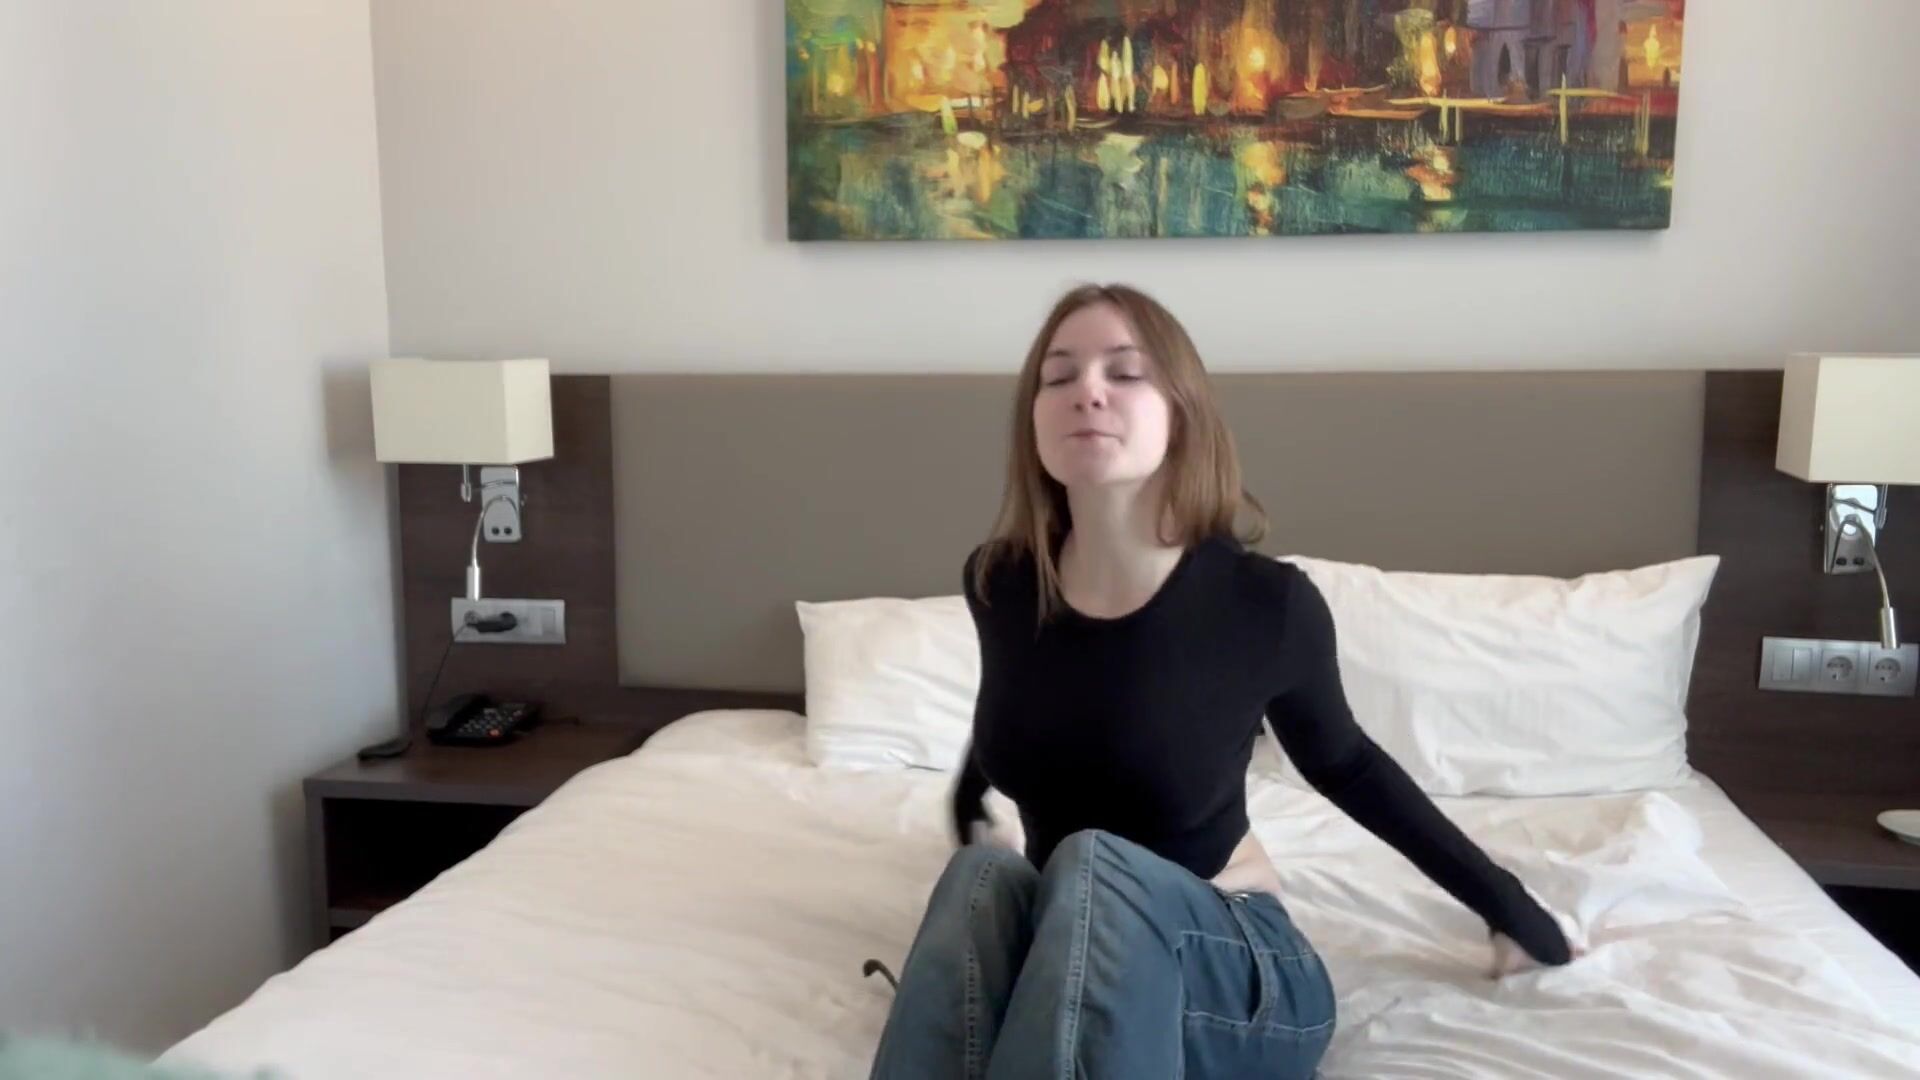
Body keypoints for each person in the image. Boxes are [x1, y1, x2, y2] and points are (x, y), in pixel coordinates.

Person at [867, 284, 1579, 1080]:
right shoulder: (1003, 582)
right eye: (1058, 375)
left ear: (1182, 414)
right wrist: (970, 801)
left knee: (1095, 864)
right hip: (1068, 942)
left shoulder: (1263, 606)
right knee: (982, 879)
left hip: (1236, 959)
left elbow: (1349, 766)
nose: (1087, 391)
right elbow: (1039, 697)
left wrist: (1511, 909)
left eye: (1124, 372)